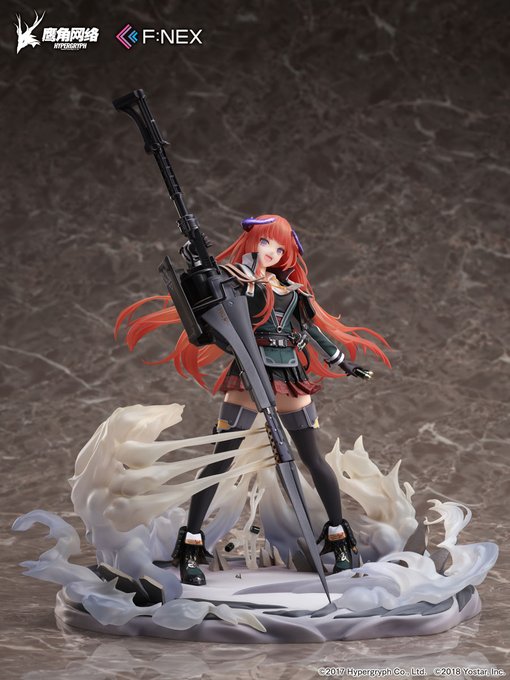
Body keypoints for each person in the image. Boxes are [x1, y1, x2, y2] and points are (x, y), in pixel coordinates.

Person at [115, 215, 391, 586]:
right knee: (220, 459)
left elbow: (309, 330)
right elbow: (208, 299)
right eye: (265, 243)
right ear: (252, 242)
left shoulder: (292, 291)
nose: (271, 252)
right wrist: (196, 263)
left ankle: (339, 539)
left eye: (279, 247)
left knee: (313, 459)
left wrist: (342, 361)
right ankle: (192, 545)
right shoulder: (235, 282)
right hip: (249, 372)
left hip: (289, 375)